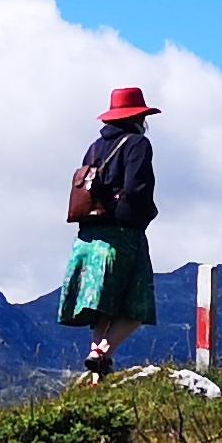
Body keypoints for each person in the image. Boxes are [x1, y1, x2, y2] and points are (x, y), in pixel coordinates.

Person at [57, 86, 160, 379]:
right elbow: (137, 189)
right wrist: (142, 218)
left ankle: (96, 373)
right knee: (135, 305)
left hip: (88, 237)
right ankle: (101, 352)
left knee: (104, 305)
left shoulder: (94, 148)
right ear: (139, 117)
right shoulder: (137, 145)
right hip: (121, 235)